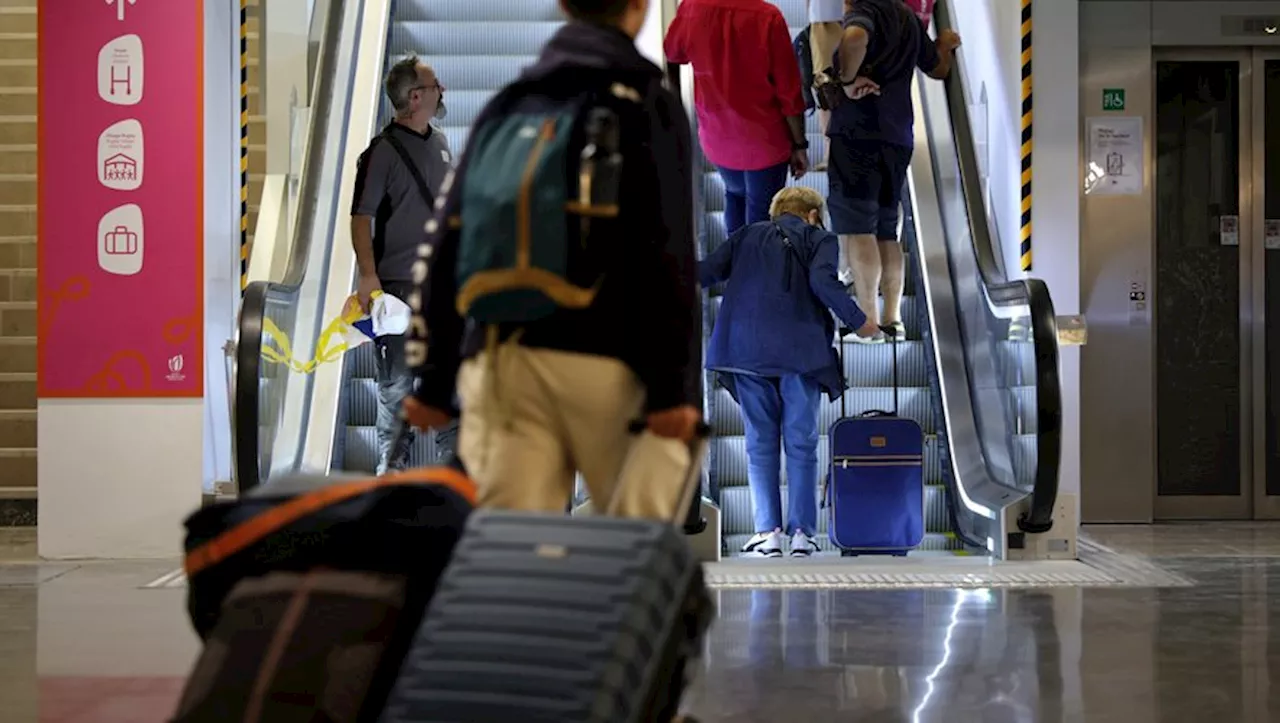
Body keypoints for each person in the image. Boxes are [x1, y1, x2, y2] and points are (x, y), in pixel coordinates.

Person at [401, 0, 702, 520]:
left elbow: (445, 239)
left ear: (563, 6)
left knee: (505, 557)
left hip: (503, 360)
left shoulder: (510, 104)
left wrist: (432, 377)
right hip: (613, 365)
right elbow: (669, 250)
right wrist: (674, 390)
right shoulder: (647, 99)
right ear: (641, 8)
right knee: (633, 554)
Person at [699, 187, 878, 557]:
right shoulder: (820, 237)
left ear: (777, 211)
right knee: (801, 443)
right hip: (802, 353)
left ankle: (768, 533)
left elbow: (708, 271)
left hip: (744, 351)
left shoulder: (746, 234)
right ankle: (802, 534)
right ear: (812, 214)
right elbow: (821, 282)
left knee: (759, 443)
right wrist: (860, 321)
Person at [827, 0, 959, 343]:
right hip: (898, 135)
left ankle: (867, 321)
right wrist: (944, 43)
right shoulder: (907, 17)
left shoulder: (865, 10)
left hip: (858, 133)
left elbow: (855, 37)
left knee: (858, 228)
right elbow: (938, 68)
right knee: (887, 229)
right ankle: (892, 319)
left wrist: (847, 78)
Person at [350, 56, 457, 474]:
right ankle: (391, 470)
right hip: (397, 289)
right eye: (434, 85)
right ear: (416, 97)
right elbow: (362, 217)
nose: (442, 89)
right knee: (398, 385)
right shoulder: (382, 153)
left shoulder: (442, 143)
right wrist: (368, 276)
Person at [664, 0, 809, 235]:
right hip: (765, 142)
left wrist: (675, 101)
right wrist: (800, 144)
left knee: (734, 194)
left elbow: (671, 54)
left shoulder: (691, 8)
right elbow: (789, 93)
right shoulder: (768, 18)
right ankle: (754, 266)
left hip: (717, 138)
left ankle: (735, 263)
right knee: (763, 211)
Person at [806, 0, 845, 167]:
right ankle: (830, 152)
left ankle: (832, 152)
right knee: (826, 86)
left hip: (867, 12)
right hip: (826, 16)